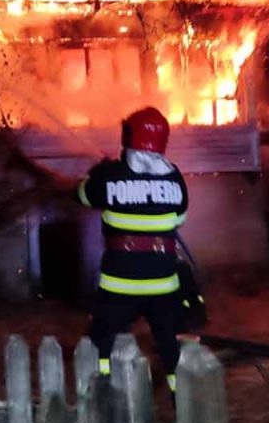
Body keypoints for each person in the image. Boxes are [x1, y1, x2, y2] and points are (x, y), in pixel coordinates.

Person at [76, 106, 190, 392]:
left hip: (120, 284)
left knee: (102, 342)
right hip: (164, 284)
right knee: (171, 347)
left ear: (129, 136)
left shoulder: (109, 175)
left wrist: (97, 174)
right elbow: (179, 218)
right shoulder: (174, 177)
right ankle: (182, 402)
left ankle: (104, 393)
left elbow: (82, 196)